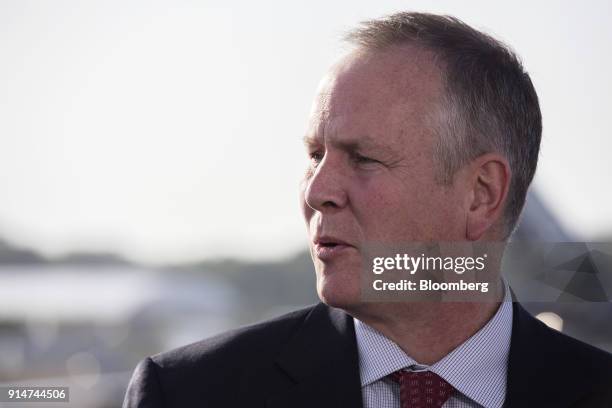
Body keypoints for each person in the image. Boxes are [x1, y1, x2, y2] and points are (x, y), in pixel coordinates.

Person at [123, 12, 612, 407]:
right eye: (315, 156)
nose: (318, 191)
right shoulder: (187, 393)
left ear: (482, 193)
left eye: (363, 158)